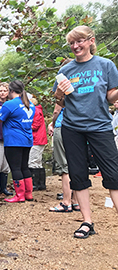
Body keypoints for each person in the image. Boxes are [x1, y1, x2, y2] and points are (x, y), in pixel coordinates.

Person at [53, 25, 118, 239]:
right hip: (73, 128)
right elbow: (60, 100)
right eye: (72, 43)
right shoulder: (66, 70)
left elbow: (110, 96)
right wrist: (59, 93)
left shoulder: (105, 65)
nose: (75, 46)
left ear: (91, 40)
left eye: (79, 41)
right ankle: (87, 222)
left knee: (113, 174)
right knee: (78, 175)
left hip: (100, 126)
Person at [0, 80, 35, 203]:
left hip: (13, 141)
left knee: (15, 168)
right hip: (27, 139)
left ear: (11, 91)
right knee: (24, 167)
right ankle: (29, 194)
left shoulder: (10, 104)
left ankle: (20, 195)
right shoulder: (30, 104)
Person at [48, 104, 79, 212]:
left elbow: (57, 110)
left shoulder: (63, 88)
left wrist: (52, 123)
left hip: (63, 126)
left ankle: (66, 202)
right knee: (75, 164)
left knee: (64, 164)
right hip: (78, 127)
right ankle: (76, 200)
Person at [28, 98, 47, 190]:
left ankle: (35, 184)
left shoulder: (35, 111)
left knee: (32, 161)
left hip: (37, 139)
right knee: (37, 162)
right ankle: (40, 184)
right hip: (38, 139)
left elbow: (35, 126)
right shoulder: (37, 110)